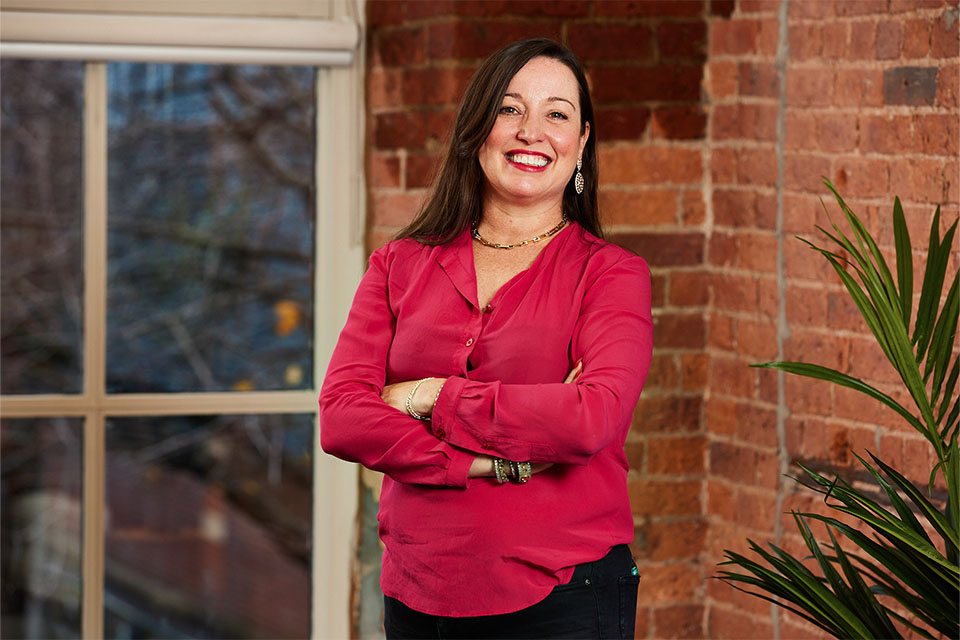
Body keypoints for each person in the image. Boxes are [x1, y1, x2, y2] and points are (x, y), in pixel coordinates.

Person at [320, 38, 653, 639]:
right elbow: (342, 419)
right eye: (509, 109)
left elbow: (591, 419)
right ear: (477, 131)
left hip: (563, 592)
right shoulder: (397, 264)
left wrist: (426, 397)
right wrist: (489, 464)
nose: (531, 131)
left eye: (557, 114)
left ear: (581, 145)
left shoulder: (611, 274)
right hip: (416, 588)